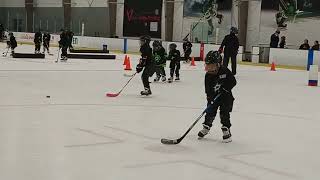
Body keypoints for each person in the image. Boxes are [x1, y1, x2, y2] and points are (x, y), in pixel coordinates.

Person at [198, 50, 237, 143]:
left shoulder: (225, 71)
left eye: (211, 66)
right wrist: (209, 98)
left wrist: (225, 88)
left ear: (218, 64)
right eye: (207, 65)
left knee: (224, 113)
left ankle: (226, 129)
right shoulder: (208, 75)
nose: (209, 68)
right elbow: (208, 88)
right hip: (213, 97)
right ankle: (206, 127)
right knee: (210, 112)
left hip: (226, 97)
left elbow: (233, 81)